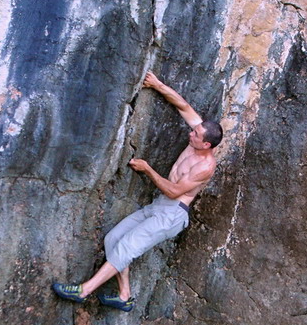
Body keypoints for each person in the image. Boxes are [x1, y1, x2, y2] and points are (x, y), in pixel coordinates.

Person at [52, 71, 223, 311]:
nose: (191, 132)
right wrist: (157, 85)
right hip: (159, 206)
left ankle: (84, 290)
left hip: (172, 213)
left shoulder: (205, 167)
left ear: (207, 144)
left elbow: (174, 191)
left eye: (195, 134)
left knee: (127, 248)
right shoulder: (199, 135)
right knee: (113, 239)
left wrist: (147, 169)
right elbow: (183, 106)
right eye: (194, 130)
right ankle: (124, 296)